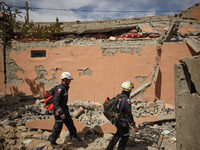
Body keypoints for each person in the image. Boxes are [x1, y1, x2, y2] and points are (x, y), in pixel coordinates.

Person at [49, 72, 81, 146]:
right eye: (69, 80)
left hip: (64, 109)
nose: (70, 81)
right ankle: (52, 142)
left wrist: (64, 111)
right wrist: (60, 112)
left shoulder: (65, 88)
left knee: (70, 123)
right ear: (64, 79)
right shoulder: (60, 89)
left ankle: (74, 135)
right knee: (58, 126)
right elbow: (56, 102)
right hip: (58, 110)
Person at [106, 81, 138, 150]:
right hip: (123, 123)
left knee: (118, 134)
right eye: (131, 89)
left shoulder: (118, 96)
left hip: (117, 120)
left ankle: (109, 148)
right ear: (128, 90)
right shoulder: (126, 100)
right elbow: (128, 114)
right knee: (125, 138)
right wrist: (134, 125)